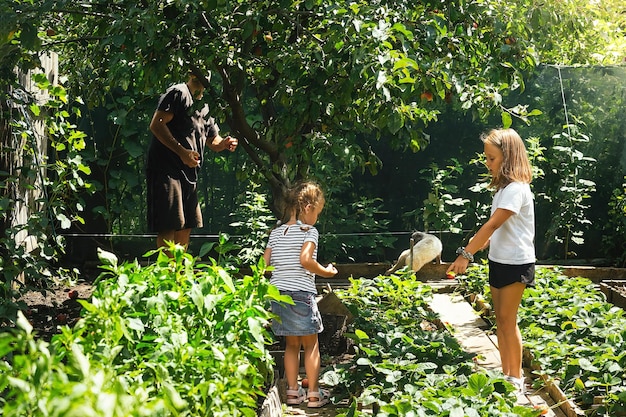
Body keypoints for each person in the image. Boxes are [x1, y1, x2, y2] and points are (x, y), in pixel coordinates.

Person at [447, 128, 535, 395]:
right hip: (499, 261)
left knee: (508, 321)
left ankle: (515, 378)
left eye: (491, 158)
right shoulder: (502, 190)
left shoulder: (516, 190)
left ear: (508, 158)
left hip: (516, 264)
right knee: (501, 320)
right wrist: (482, 244)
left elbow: (493, 223)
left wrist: (466, 254)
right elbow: (495, 230)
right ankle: (507, 374)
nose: (487, 163)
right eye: (487, 158)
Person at [263, 182, 338, 408]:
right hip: (300, 294)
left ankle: (293, 393)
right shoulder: (309, 231)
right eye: (317, 212)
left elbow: (264, 267)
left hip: (278, 294)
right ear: (307, 207)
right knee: (311, 344)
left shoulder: (275, 234)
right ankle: (314, 394)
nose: (317, 218)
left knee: (291, 345)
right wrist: (326, 271)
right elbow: (305, 260)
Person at [147, 72, 238, 250]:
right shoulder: (178, 93)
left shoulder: (206, 105)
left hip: (189, 173)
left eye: (207, 69)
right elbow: (156, 124)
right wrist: (182, 152)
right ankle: (164, 275)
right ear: (190, 72)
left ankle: (179, 275)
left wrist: (225, 143)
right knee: (168, 225)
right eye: (199, 67)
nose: (203, 72)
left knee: (186, 225)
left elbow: (213, 140)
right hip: (166, 170)